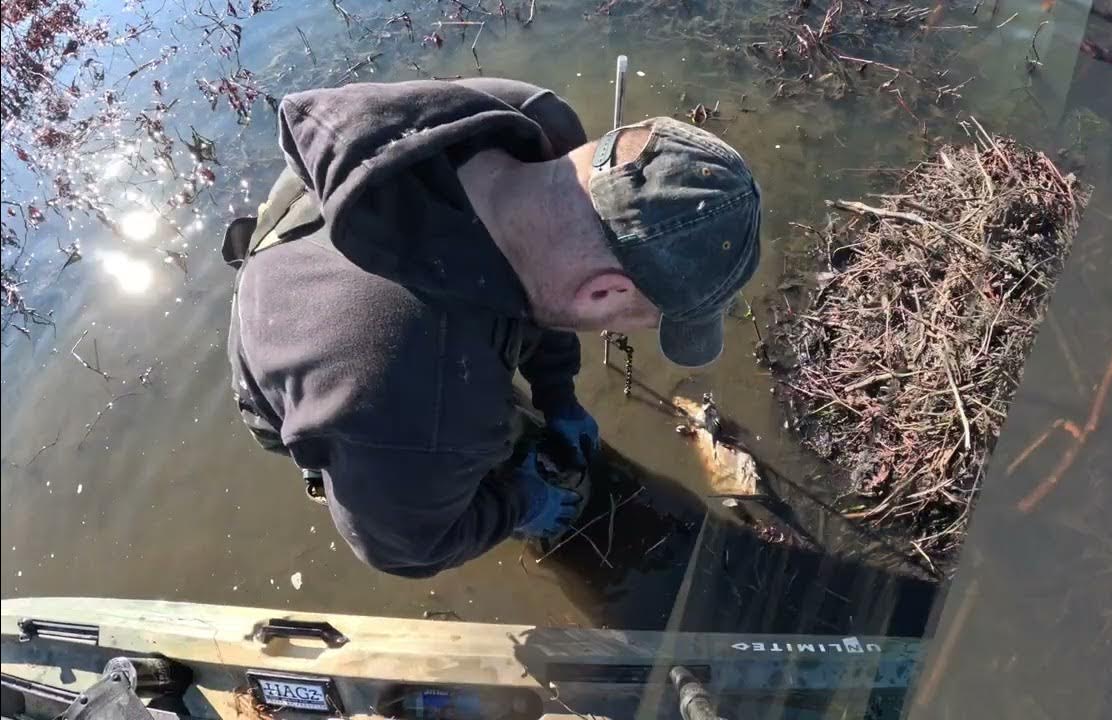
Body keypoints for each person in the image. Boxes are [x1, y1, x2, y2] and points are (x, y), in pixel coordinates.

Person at [222, 78, 762, 579]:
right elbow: (402, 549)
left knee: (484, 395)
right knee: (446, 463)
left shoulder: (524, 122)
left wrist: (558, 394)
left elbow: (542, 282)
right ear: (605, 292)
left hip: (336, 235)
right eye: (637, 319)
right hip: (304, 355)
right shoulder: (411, 398)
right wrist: (519, 505)